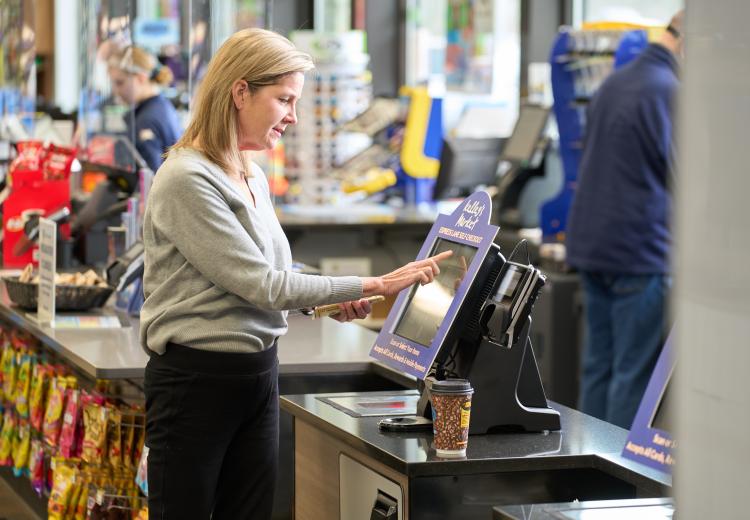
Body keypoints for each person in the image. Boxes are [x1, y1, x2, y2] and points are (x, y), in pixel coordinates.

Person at [139, 28, 452, 519]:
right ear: (240, 92)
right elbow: (260, 284)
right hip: (196, 382)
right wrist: (376, 284)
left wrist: (322, 299)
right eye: (284, 99)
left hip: (258, 373)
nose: (293, 116)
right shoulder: (186, 178)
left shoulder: (248, 172)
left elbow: (278, 270)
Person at [565, 11, 683, 429]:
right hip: (640, 251)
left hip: (594, 247)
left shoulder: (615, 82)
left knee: (598, 366)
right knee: (632, 374)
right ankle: (615, 484)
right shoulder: (668, 89)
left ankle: (585, 475)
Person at [108, 45, 183, 172]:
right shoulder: (162, 106)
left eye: (120, 83)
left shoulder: (147, 120)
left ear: (141, 78)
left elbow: (148, 180)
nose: (116, 91)